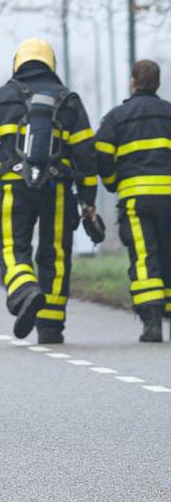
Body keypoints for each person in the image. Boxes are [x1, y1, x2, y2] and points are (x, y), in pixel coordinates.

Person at [0, 38, 98, 343]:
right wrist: (88, 202)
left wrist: (6, 161)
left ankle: (25, 290)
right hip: (57, 186)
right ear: (50, 63)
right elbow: (86, 157)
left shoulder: (3, 98)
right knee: (54, 252)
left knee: (13, 246)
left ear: (18, 62)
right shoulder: (68, 100)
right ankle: (51, 326)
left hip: (15, 185)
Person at [95, 59, 171, 342]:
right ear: (158, 83)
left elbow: (101, 155)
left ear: (133, 81)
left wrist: (113, 183)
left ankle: (152, 323)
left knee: (144, 256)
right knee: (167, 253)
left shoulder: (117, 117)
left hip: (136, 200)